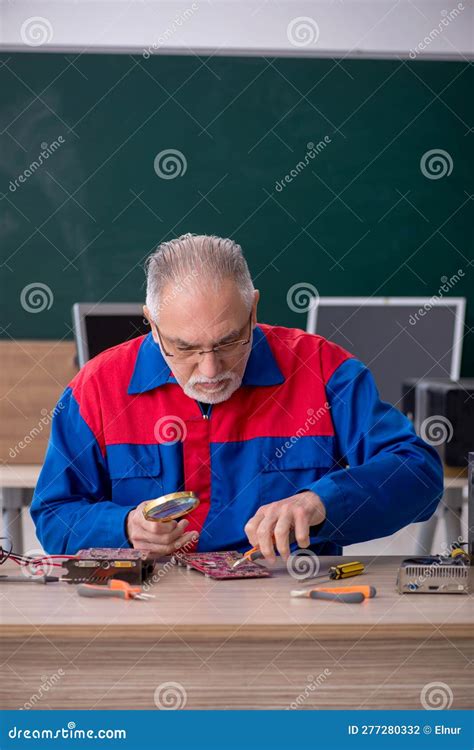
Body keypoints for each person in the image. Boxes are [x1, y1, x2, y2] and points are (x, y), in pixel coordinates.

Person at [31, 233, 443, 559]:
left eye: (229, 342)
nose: (211, 371)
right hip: (146, 616)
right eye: (186, 348)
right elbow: (53, 516)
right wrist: (122, 527)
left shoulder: (322, 370)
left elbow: (420, 477)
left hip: (292, 616)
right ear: (151, 323)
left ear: (254, 310)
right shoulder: (97, 388)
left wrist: (322, 501)